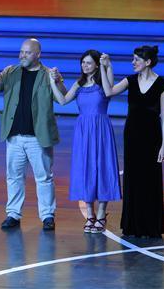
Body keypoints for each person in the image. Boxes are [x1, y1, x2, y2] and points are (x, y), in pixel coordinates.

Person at [0, 38, 59, 231]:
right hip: (14, 136)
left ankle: (47, 216)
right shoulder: (11, 71)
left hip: (38, 137)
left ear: (38, 54)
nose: (22, 55)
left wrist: (57, 81)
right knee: (14, 177)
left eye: (27, 52)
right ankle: (13, 214)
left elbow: (62, 98)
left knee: (44, 178)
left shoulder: (47, 74)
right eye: (21, 52)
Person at [101, 45, 164, 238]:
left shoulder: (162, 84)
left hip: (152, 137)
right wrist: (106, 67)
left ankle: (151, 226)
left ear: (148, 62)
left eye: (137, 60)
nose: (133, 62)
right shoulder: (130, 81)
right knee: (133, 179)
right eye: (133, 59)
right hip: (132, 136)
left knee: (151, 180)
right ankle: (132, 225)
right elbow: (109, 91)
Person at [49, 50, 120, 234]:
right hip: (83, 132)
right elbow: (63, 100)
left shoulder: (103, 80)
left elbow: (109, 90)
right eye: (83, 62)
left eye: (89, 63)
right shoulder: (78, 84)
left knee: (103, 169)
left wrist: (107, 66)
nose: (85, 66)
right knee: (86, 169)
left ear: (96, 64)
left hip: (101, 129)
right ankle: (90, 214)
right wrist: (53, 82)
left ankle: (102, 213)